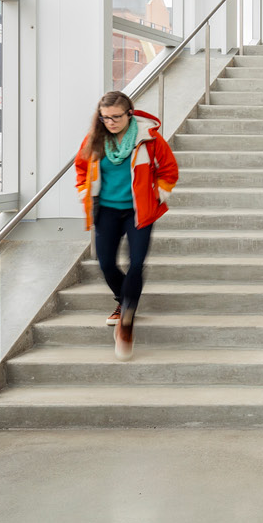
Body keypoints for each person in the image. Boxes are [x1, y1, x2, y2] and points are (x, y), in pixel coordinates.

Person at [73, 91, 179, 359]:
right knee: (106, 264)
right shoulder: (95, 138)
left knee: (136, 263)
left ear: (129, 113)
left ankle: (127, 320)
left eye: (116, 117)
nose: (110, 122)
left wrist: (158, 194)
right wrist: (84, 192)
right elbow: (81, 167)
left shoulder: (149, 139)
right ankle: (125, 301)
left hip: (138, 211)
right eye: (105, 117)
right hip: (106, 210)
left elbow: (169, 169)